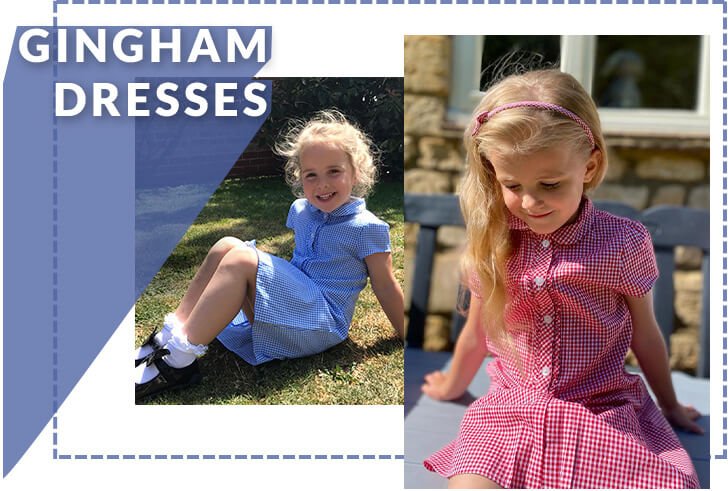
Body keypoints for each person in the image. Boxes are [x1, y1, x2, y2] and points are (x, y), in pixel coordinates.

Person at [420, 69, 702, 488]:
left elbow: (645, 333)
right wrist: (451, 384)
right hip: (510, 411)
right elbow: (477, 332)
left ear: (589, 166)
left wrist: (671, 405)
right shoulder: (492, 243)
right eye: (512, 184)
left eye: (550, 184)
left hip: (601, 408)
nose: (531, 202)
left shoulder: (621, 243)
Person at [134, 110, 404, 402]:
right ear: (299, 177)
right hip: (298, 305)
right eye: (311, 175)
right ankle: (169, 336)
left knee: (241, 259)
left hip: (322, 322)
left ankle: (178, 362)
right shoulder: (300, 210)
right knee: (227, 244)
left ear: (356, 172)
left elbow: (385, 285)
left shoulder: (367, 228)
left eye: (334, 171)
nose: (322, 184)